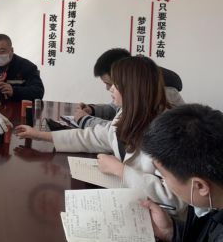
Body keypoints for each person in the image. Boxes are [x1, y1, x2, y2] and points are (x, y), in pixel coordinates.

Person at [14, 56, 185, 211]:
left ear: (132, 87)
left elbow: (175, 200)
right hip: (131, 202)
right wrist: (40, 135)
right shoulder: (127, 113)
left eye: (115, 84)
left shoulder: (169, 130)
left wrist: (121, 171)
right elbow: (95, 136)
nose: (110, 89)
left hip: (158, 219)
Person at [141, 104, 223, 242]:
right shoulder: (210, 201)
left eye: (163, 176)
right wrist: (170, 232)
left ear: (200, 186)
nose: (163, 182)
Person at [74, 48, 184, 128]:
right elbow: (116, 110)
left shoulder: (159, 94)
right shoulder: (136, 88)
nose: (109, 89)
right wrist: (93, 110)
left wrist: (85, 120)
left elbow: (122, 131)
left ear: (124, 76)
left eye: (111, 84)